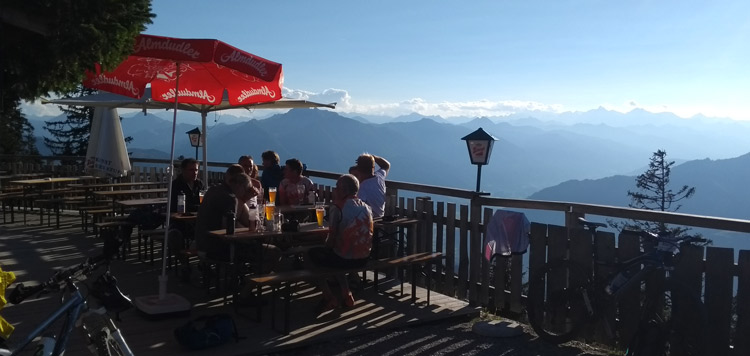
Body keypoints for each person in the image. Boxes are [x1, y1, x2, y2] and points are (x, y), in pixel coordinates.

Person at [307, 174, 373, 312]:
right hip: (364, 259)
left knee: (310, 256)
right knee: (337, 253)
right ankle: (346, 293)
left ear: (343, 190)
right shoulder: (367, 207)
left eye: (336, 187)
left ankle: (328, 296)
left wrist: (318, 242)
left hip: (345, 259)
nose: (334, 190)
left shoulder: (337, 207)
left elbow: (331, 241)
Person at [194, 168, 280, 272]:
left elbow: (246, 221)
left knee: (262, 246)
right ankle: (254, 281)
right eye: (247, 189)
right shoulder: (230, 198)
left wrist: (243, 201)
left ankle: (249, 275)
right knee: (274, 251)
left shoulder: (213, 190)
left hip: (202, 244)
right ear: (239, 186)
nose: (246, 193)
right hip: (220, 249)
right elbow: (229, 230)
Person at [353, 153, 390, 218]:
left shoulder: (362, 188)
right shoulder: (380, 177)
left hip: (369, 220)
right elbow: (386, 165)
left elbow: (356, 208)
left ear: (358, 169)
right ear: (373, 167)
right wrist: (373, 157)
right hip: (380, 217)